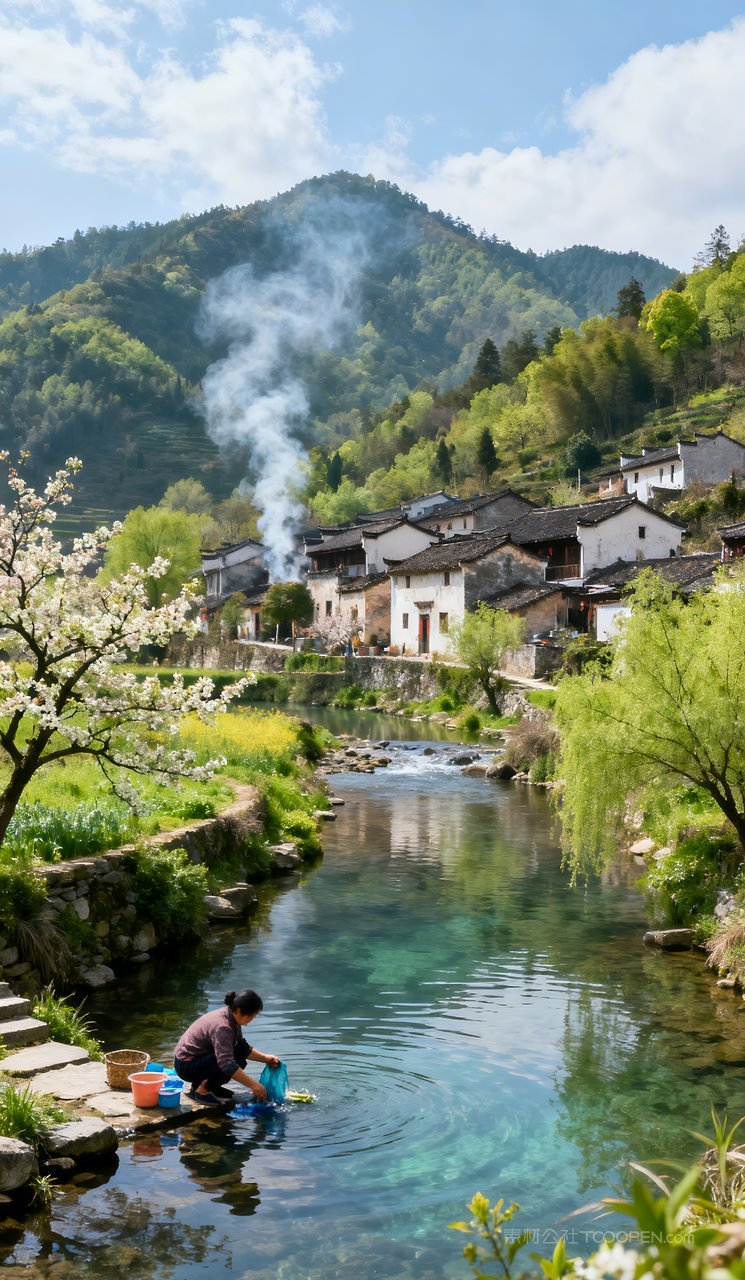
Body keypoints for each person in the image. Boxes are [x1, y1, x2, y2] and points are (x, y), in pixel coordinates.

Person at [174, 988, 280, 1106]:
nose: (251, 1020)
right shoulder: (223, 1027)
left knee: (239, 1053)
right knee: (229, 1060)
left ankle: (210, 1086)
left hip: (198, 1060)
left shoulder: (231, 1017)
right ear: (239, 1011)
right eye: (251, 1016)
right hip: (186, 1065)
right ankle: (201, 1090)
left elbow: (242, 1047)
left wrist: (266, 1058)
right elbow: (226, 1063)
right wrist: (254, 1085)